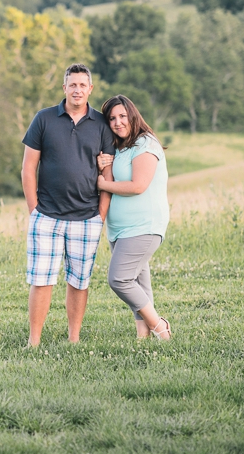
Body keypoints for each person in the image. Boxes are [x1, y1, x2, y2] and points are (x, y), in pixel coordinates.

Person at [21, 63, 114, 347]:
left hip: (87, 217)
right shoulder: (44, 119)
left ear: (90, 89)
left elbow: (107, 174)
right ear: (64, 88)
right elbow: (28, 168)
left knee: (79, 281)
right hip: (46, 215)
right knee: (41, 280)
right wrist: (34, 209)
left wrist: (100, 215)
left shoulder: (101, 124)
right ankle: (33, 341)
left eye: (82, 85)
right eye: (72, 84)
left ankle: (74, 339)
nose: (77, 89)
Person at [96, 95, 171, 340]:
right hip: (120, 229)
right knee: (139, 281)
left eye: (122, 116)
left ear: (132, 115)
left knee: (119, 278)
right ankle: (143, 336)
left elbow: (138, 185)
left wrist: (102, 183)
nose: (117, 122)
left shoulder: (145, 144)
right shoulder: (120, 148)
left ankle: (159, 326)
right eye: (112, 119)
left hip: (144, 226)